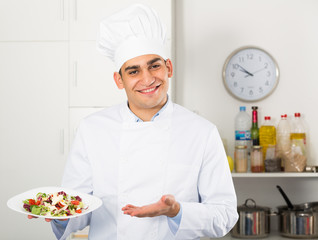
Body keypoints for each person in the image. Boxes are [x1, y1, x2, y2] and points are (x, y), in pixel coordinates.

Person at [30, 3, 238, 239]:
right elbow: (79, 205)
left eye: (154, 66)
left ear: (168, 67)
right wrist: (61, 216)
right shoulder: (92, 129)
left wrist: (177, 211)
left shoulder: (202, 132)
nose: (147, 79)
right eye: (133, 71)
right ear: (119, 80)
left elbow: (225, 216)